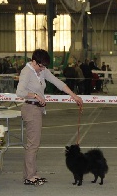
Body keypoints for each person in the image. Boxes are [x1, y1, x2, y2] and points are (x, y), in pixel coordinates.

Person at [16, 49, 83, 186]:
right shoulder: (27, 71)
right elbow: (20, 92)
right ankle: (29, 176)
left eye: (44, 66)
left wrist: (74, 95)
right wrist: (35, 95)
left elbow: (57, 82)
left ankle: (32, 174)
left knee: (34, 144)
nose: (43, 69)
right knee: (33, 145)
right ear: (34, 61)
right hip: (31, 108)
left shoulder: (41, 70)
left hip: (38, 109)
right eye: (41, 66)